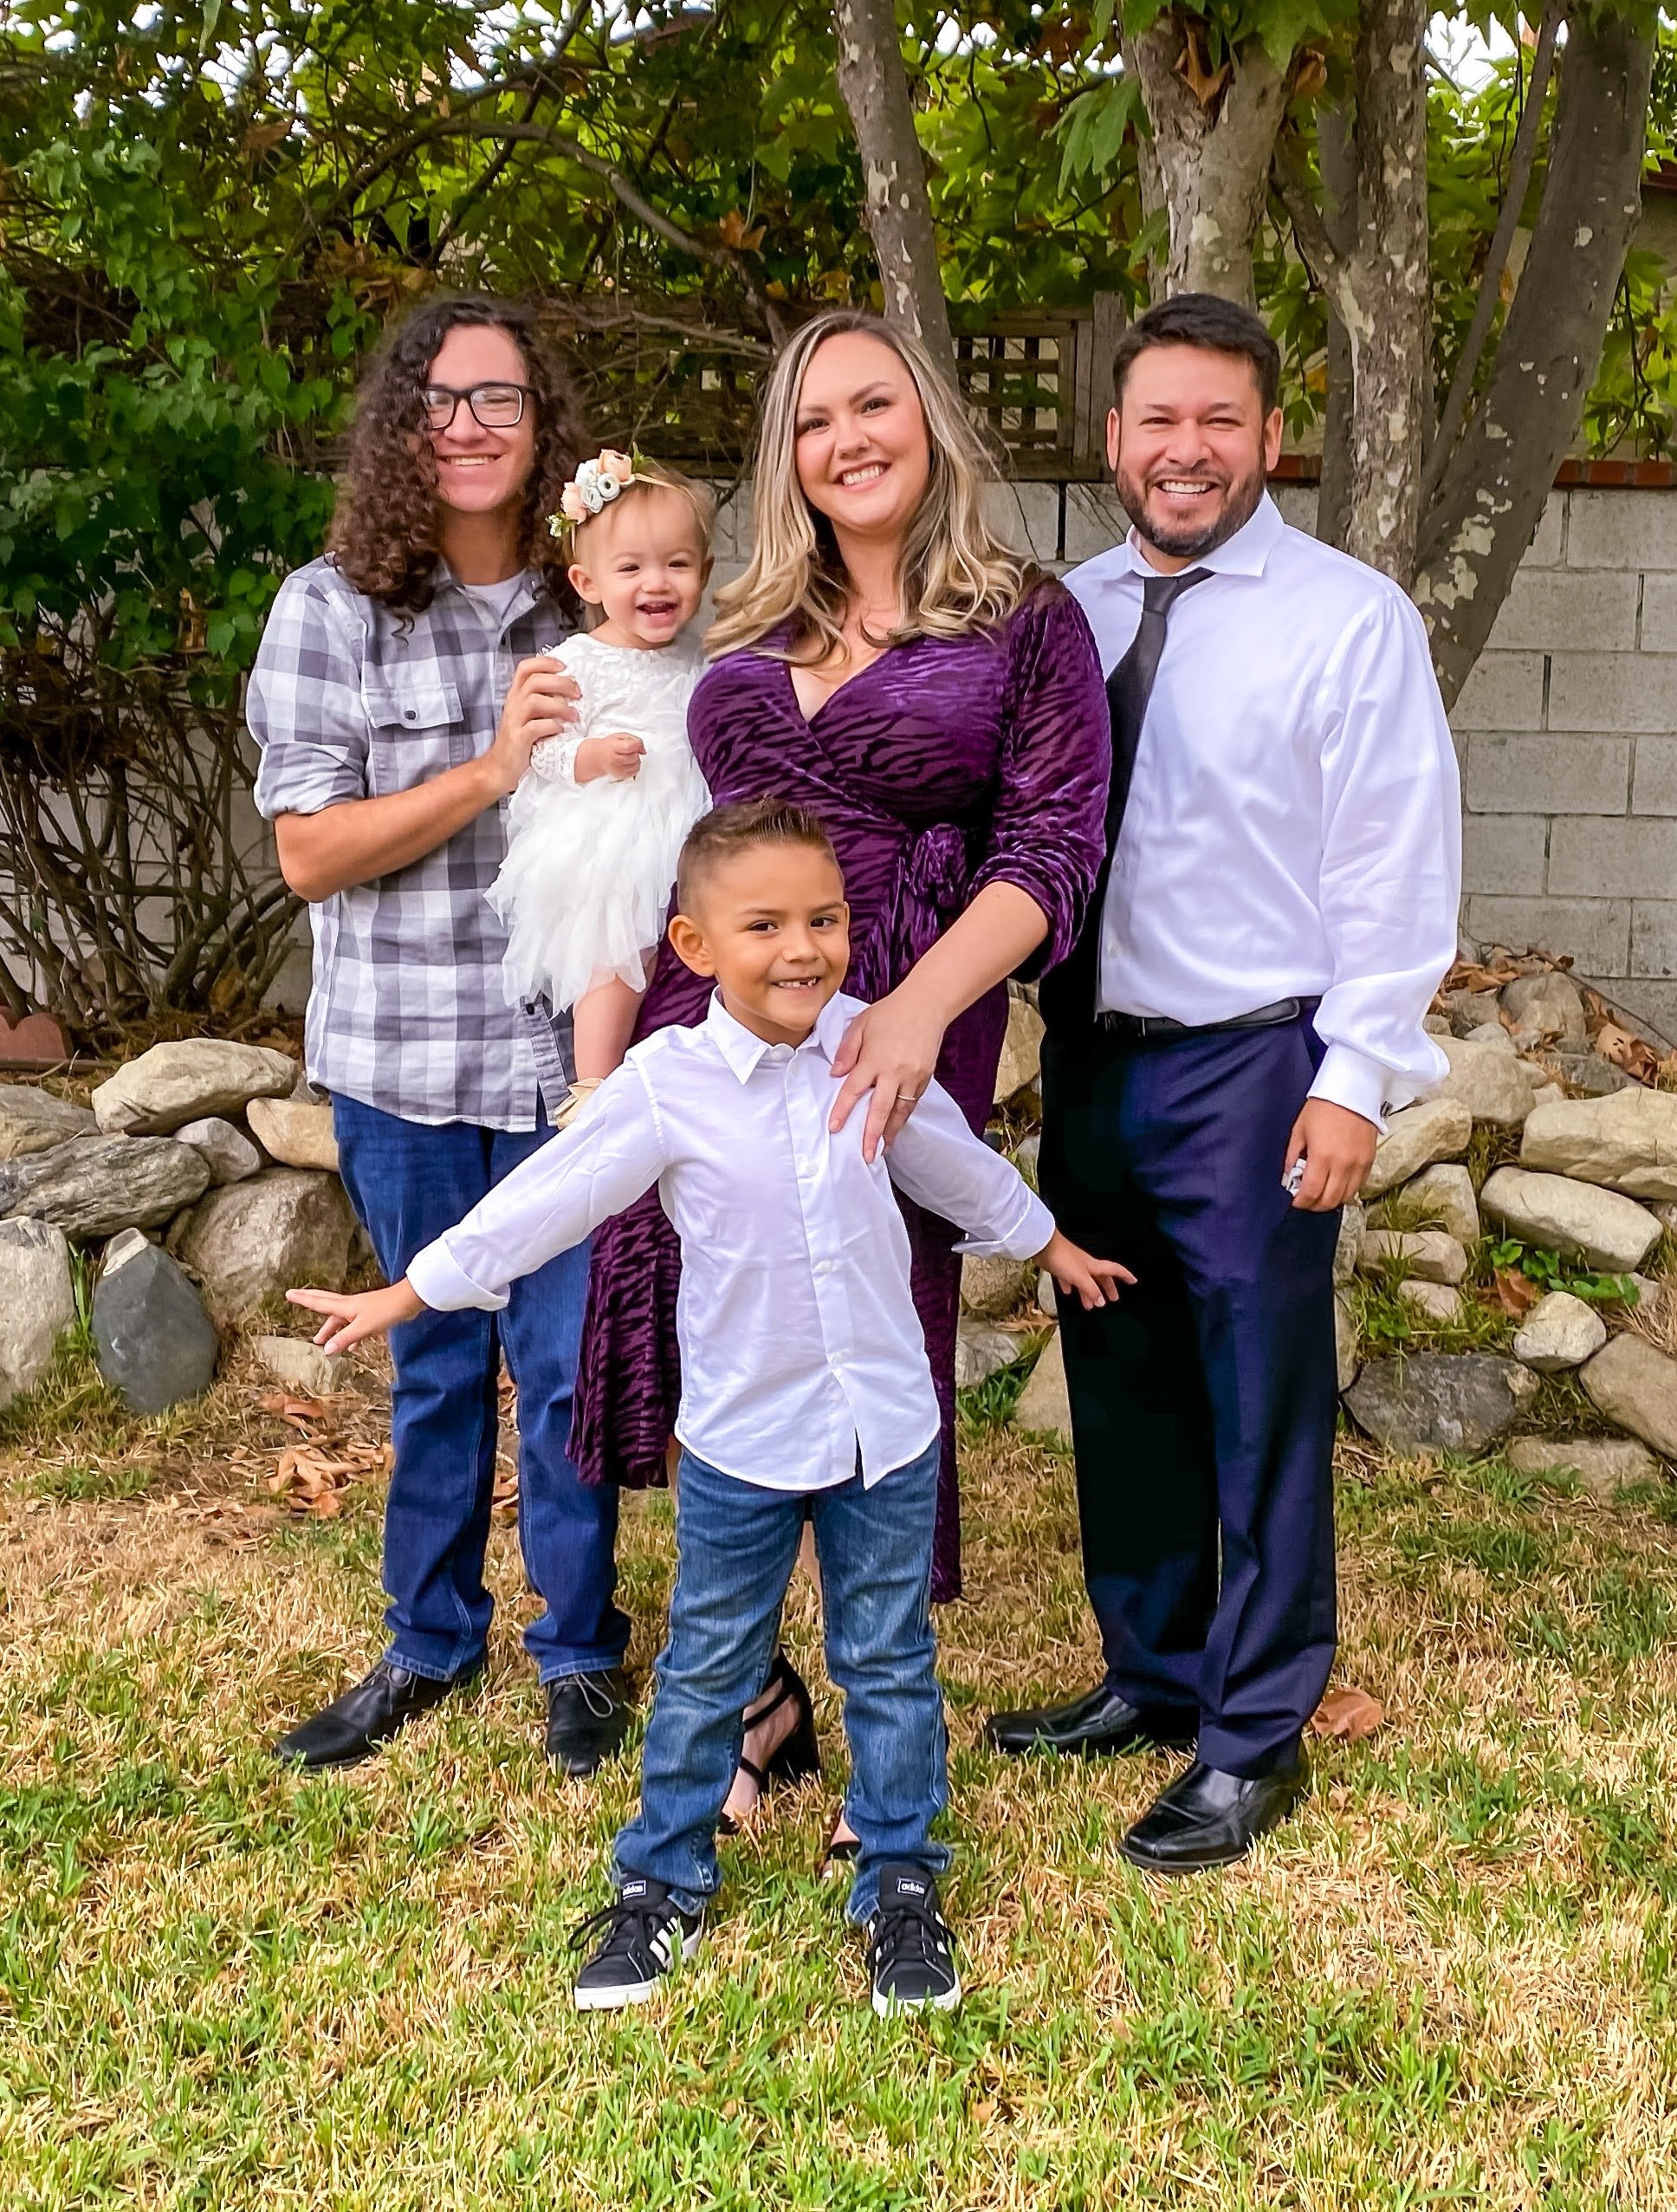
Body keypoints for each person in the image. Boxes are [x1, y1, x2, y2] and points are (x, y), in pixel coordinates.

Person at [289, 798, 1131, 2014]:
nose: (804, 947)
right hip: (742, 1441)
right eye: (766, 925)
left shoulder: (869, 1048)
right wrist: (415, 1290)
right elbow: (553, 1197)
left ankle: (898, 1876)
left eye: (826, 918)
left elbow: (951, 1162)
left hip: (883, 1431)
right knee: (704, 1665)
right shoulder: (666, 1085)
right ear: (693, 946)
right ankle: (660, 1882)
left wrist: (1049, 1244)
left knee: (888, 1660)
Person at [567, 308, 1111, 1837]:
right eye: (812, 422)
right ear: (784, 458)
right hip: (717, 1011)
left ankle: (878, 1678)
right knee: (688, 1324)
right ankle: (753, 1702)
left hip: (904, 1008)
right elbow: (632, 789)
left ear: (929, 420)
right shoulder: (742, 629)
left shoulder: (1025, 618)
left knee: (866, 1334)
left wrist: (915, 1014)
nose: (845, 440)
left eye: (872, 405)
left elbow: (1052, 849)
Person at [985, 293, 1460, 1872]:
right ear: (1112, 440)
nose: (1185, 451)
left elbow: (1394, 862)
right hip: (1094, 1061)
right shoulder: (1063, 615)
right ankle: (1153, 1670)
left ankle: (1253, 1736)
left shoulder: (1347, 620)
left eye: (1219, 422)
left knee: (1258, 1401)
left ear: (1269, 436)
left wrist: (1354, 1077)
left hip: (1253, 1064)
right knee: (1119, 1385)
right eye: (1157, 421)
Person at [246, 295, 635, 1778]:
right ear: (403, 425)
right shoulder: (331, 609)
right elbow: (308, 854)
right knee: (435, 1371)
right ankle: (428, 1639)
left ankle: (582, 1652)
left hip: (563, 1068)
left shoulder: (595, 605)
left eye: (503, 399)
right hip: (404, 1065)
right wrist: (489, 770)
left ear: (547, 431)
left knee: (565, 1367)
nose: (469, 423)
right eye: (442, 397)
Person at [486, 451, 712, 1117]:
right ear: (587, 582)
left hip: (690, 822)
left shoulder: (702, 657)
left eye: (678, 563)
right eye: (632, 567)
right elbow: (544, 752)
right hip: (616, 830)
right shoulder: (574, 660)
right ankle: (594, 1082)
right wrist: (594, 756)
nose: (658, 583)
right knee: (615, 952)